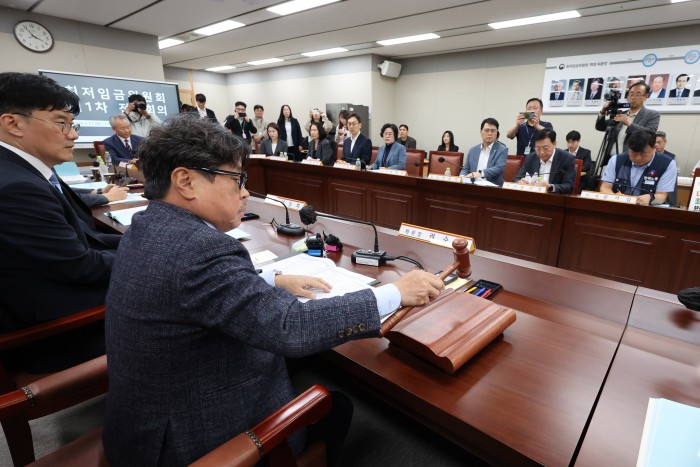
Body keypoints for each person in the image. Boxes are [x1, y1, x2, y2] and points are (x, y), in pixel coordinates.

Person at [102, 113, 443, 466]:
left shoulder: (147, 224)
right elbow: (291, 327)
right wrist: (395, 293)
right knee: (336, 404)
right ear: (185, 181)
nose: (244, 192)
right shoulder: (200, 249)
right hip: (192, 442)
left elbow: (196, 293)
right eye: (236, 178)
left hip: (142, 426)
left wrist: (269, 280)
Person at [0, 72, 121, 373]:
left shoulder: (24, 169)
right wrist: (155, 254)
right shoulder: (15, 186)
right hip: (57, 332)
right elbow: (82, 266)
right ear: (13, 123)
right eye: (61, 123)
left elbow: (83, 237)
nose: (73, 135)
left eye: (72, 124)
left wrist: (146, 240)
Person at [599, 130, 677, 206]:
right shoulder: (616, 160)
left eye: (643, 153)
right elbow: (605, 187)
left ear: (654, 148)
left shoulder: (667, 164)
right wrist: (614, 197)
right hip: (618, 207)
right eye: (633, 153)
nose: (638, 158)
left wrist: (651, 198)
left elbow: (662, 196)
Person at [595, 81, 660, 153]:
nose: (633, 97)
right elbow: (600, 127)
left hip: (631, 157)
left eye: (638, 95)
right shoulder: (621, 113)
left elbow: (650, 135)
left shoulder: (652, 114)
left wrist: (630, 124)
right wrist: (602, 111)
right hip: (610, 157)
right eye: (631, 94)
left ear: (645, 97)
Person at [513, 129, 576, 193]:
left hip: (554, 197)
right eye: (538, 148)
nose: (541, 152)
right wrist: (519, 182)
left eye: (545, 148)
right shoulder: (530, 158)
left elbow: (569, 186)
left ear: (554, 144)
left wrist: (550, 187)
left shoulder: (567, 158)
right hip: (532, 195)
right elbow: (516, 179)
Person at [460, 118, 508, 186]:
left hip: (492, 187)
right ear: (481, 132)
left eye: (493, 131)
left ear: (497, 133)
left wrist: (480, 173)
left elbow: (499, 168)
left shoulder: (502, 149)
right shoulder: (473, 150)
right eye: (486, 130)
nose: (489, 133)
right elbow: (465, 169)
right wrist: (462, 176)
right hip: (472, 186)